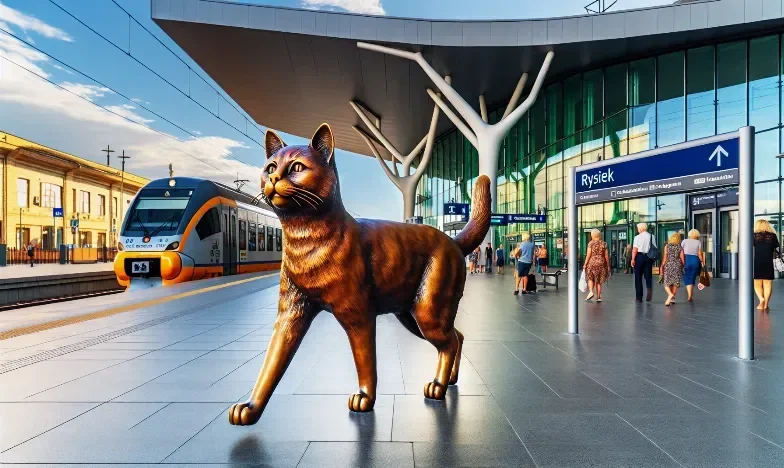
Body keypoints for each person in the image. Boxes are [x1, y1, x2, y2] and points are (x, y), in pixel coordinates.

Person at [753, 219, 780, 311]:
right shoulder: (773, 236)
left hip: (757, 262)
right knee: (767, 284)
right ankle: (766, 305)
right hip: (768, 262)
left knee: (757, 284)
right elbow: (777, 249)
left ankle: (761, 299)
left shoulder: (754, 236)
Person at [583, 229, 610, 301]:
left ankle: (591, 292)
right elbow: (606, 256)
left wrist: (585, 264)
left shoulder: (590, 243)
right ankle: (598, 297)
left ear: (592, 235)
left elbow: (588, 255)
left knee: (590, 278)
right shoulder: (604, 244)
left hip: (592, 263)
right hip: (601, 263)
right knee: (599, 281)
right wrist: (608, 266)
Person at [631, 223, 656, 302]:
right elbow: (654, 247)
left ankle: (639, 297)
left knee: (638, 277)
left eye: (638, 228)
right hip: (649, 257)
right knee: (648, 277)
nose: (637, 230)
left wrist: (633, 259)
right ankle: (649, 294)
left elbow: (635, 249)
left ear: (640, 229)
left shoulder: (637, 237)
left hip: (639, 257)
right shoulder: (652, 236)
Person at [662, 232, 685, 306]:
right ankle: (672, 298)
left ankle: (670, 294)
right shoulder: (680, 247)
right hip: (677, 266)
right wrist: (684, 265)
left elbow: (665, 257)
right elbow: (682, 258)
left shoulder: (667, 246)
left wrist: (662, 265)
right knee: (675, 283)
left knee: (666, 282)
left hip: (668, 265)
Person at [681, 229, 704, 302]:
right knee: (692, 277)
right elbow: (700, 254)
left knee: (687, 277)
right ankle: (690, 295)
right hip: (695, 260)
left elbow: (681, 251)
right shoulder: (698, 242)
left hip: (686, 259)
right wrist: (702, 262)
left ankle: (689, 295)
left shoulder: (684, 241)